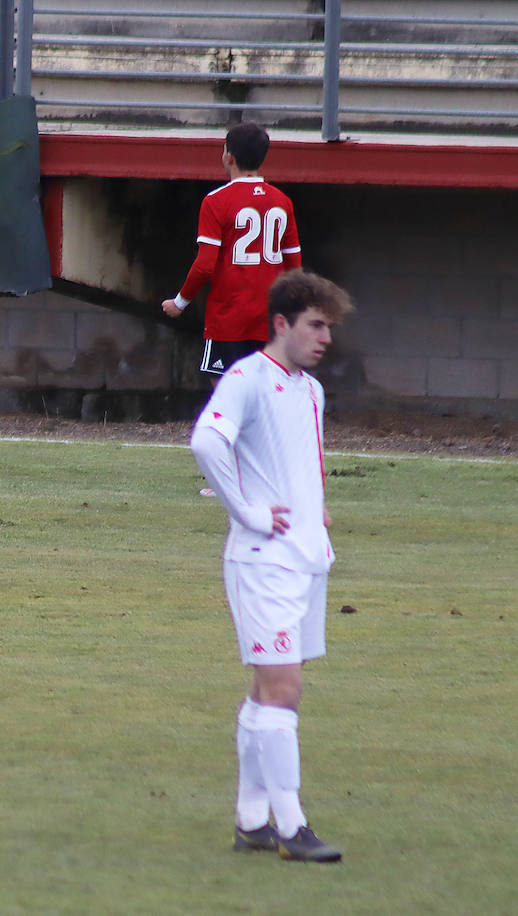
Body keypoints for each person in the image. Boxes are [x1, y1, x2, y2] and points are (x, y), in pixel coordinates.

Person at [189, 269, 354, 864]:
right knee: (284, 687)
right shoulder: (246, 378)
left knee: (269, 690)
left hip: (307, 559)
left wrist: (315, 509)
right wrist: (249, 512)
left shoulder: (309, 390)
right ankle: (291, 825)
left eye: (329, 327)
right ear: (280, 324)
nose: (325, 338)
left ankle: (252, 820)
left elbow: (296, 462)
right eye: (315, 325)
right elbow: (207, 442)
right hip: (263, 562)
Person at [161, 122, 302, 378]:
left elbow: (205, 265)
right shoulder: (283, 202)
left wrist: (180, 303)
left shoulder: (215, 201)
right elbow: (294, 266)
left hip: (228, 320)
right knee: (264, 397)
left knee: (229, 401)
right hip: (269, 319)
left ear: (229, 156)